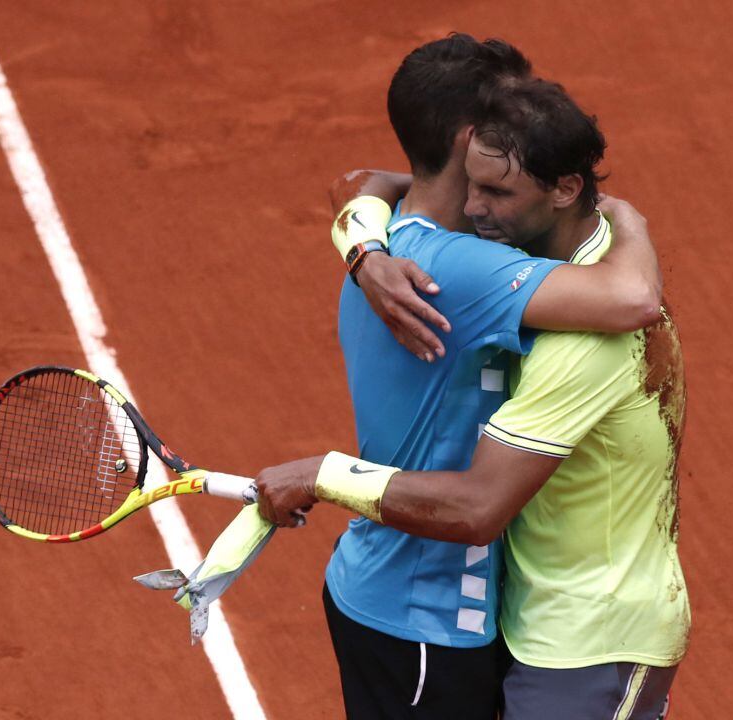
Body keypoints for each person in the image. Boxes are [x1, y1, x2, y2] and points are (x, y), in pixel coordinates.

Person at [259, 77, 688, 720]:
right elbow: (367, 181)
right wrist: (365, 253)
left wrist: (324, 474)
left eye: (495, 192)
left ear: (564, 189)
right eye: (471, 184)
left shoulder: (589, 339)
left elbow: (478, 506)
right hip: (534, 623)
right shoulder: (571, 245)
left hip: (593, 642)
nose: (473, 209)